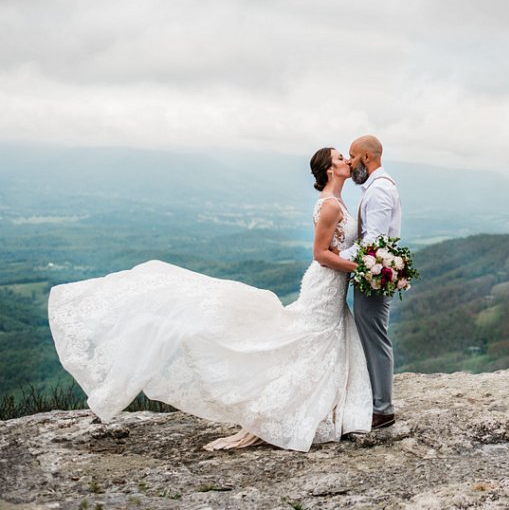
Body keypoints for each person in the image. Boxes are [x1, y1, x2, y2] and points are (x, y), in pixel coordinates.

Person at [47, 147, 372, 452]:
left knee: (318, 339)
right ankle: (279, 410)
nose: (347, 160)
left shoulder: (339, 202)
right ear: (330, 169)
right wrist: (360, 266)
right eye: (341, 157)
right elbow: (320, 254)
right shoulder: (329, 205)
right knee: (309, 339)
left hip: (333, 285)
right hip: (324, 284)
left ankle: (325, 408)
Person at [340, 135, 402, 429]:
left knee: (375, 338)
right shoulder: (378, 186)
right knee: (373, 335)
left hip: (375, 275)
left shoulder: (378, 190)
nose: (349, 162)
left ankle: (382, 408)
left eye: (352, 156)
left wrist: (336, 256)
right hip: (373, 272)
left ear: (366, 157)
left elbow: (373, 242)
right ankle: (377, 403)